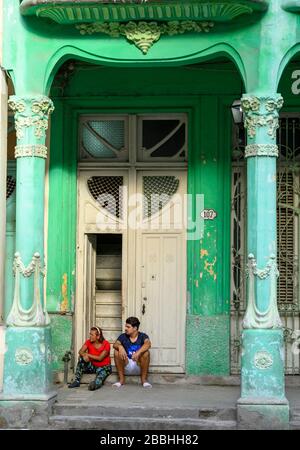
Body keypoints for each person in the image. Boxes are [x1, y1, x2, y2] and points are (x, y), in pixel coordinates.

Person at [113, 316, 152, 388]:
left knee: (146, 353)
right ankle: (121, 380)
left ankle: (144, 380)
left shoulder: (142, 336)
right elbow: (115, 344)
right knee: (116, 351)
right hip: (126, 365)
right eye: (125, 326)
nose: (125, 329)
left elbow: (148, 344)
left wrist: (138, 352)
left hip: (139, 365)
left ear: (135, 328)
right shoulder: (123, 336)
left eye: (128, 327)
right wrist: (120, 346)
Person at [68, 326, 112, 391]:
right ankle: (77, 381)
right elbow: (80, 351)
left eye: (92, 334)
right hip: (93, 367)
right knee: (81, 358)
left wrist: (87, 354)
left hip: (104, 368)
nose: (90, 336)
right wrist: (84, 355)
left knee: (99, 379)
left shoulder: (106, 344)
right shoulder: (88, 342)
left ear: (98, 336)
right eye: (90, 334)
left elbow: (100, 358)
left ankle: (94, 385)